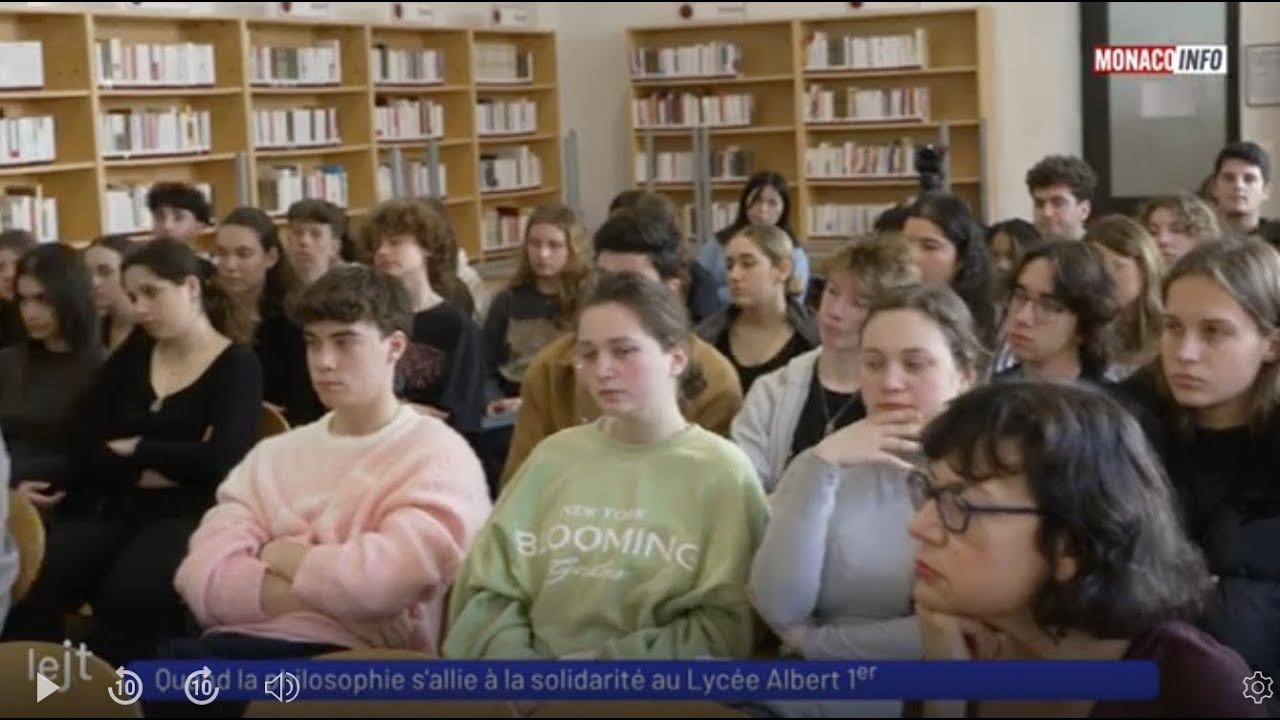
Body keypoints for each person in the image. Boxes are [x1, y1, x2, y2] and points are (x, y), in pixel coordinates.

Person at [172, 264, 492, 661]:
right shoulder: (274, 455)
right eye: (312, 342)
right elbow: (201, 576)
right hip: (239, 644)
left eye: (345, 343)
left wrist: (276, 553)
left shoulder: (439, 457)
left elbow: (380, 585)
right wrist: (332, 600)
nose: (323, 361)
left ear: (394, 347)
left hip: (355, 665)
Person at [443, 271, 769, 660]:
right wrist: (515, 667)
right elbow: (486, 589)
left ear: (677, 357)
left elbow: (726, 627)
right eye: (588, 354)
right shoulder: (553, 458)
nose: (602, 370)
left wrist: (596, 674)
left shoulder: (724, 473)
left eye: (624, 350)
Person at [904, 380, 1264, 718]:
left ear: (1071, 546)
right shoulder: (958, 637)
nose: (918, 526)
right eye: (930, 492)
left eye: (961, 507)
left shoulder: (1202, 687)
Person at [3, 237, 263, 664]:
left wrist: (137, 446)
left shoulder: (237, 365)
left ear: (191, 289)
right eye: (133, 296)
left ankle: (118, 702)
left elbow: (222, 463)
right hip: (121, 502)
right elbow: (83, 436)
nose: (139, 308)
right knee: (37, 574)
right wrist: (164, 458)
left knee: (132, 592)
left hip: (191, 513)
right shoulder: (138, 351)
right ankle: (37, 697)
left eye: (151, 293)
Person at [747, 283, 982, 718]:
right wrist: (819, 465)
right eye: (873, 363)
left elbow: (967, 625)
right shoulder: (827, 462)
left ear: (965, 374)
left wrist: (816, 643)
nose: (889, 382)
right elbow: (779, 606)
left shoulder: (991, 479)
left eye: (915, 364)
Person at [1117, 237, 1280, 715]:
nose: (1185, 352)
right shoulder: (1116, 438)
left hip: (1260, 692)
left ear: (1271, 344)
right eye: (1173, 327)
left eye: (1214, 332)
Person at [499, 205, 744, 490]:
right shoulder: (551, 368)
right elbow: (520, 490)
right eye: (603, 279)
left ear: (670, 291)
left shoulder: (715, 381)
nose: (611, 296)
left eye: (632, 285)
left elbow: (705, 497)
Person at [731, 235, 920, 493]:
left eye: (858, 303)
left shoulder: (900, 396)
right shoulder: (771, 390)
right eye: (832, 292)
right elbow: (744, 495)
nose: (835, 312)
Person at [0, 244, 103, 517]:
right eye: (23, 300)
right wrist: (7, 493)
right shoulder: (7, 362)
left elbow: (97, 458)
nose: (30, 313)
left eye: (42, 299)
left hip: (70, 504)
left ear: (71, 297)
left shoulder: (106, 369)